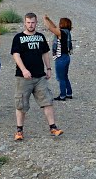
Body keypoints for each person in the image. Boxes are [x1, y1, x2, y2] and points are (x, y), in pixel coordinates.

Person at [9, 12, 63, 141]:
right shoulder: (18, 37)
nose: (30, 25)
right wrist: (23, 70)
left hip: (39, 76)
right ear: (24, 23)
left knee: (47, 101)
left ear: (36, 23)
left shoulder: (40, 37)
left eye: (33, 22)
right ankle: (19, 131)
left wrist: (49, 69)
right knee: (21, 104)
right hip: (23, 78)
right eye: (28, 22)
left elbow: (45, 53)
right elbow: (16, 55)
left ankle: (53, 127)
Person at [43, 14, 73, 101]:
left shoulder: (60, 33)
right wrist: (49, 19)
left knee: (60, 78)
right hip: (66, 57)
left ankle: (62, 95)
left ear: (62, 24)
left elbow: (50, 28)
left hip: (60, 58)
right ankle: (69, 93)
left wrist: (44, 20)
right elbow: (54, 27)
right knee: (65, 76)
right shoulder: (66, 32)